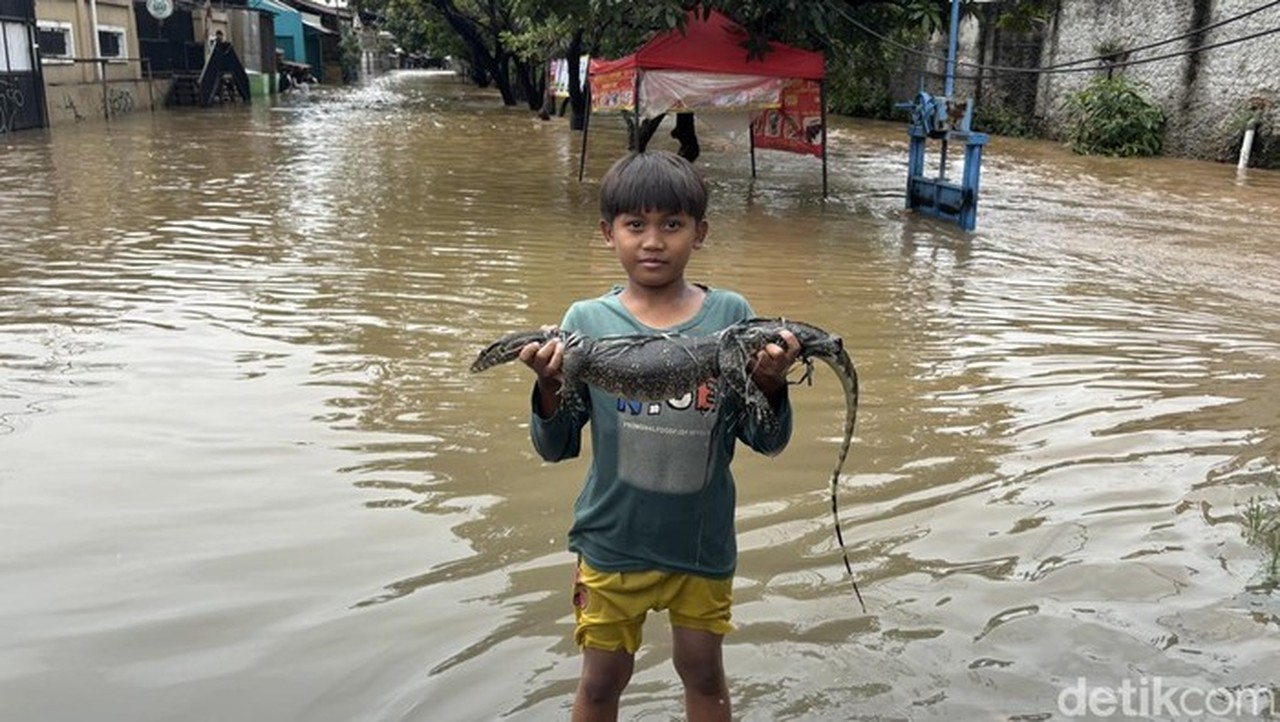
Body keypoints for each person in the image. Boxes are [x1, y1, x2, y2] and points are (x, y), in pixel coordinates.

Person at [515, 151, 800, 721]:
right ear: (607, 233)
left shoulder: (733, 317)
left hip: (701, 544)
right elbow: (556, 445)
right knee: (599, 683)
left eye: (672, 224)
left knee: (704, 677)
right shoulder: (584, 323)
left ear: (700, 233)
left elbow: (765, 440)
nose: (653, 241)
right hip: (611, 541)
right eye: (635, 224)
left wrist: (769, 384)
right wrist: (549, 388)